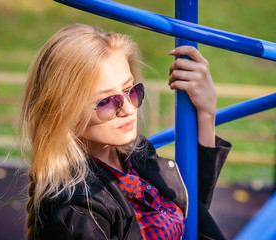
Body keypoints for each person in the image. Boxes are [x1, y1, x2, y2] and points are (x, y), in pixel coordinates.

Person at [20, 23, 231, 240]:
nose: (129, 110)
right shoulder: (78, 211)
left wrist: (206, 114)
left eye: (130, 90)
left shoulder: (133, 153)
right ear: (65, 111)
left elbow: (192, 212)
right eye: (107, 102)